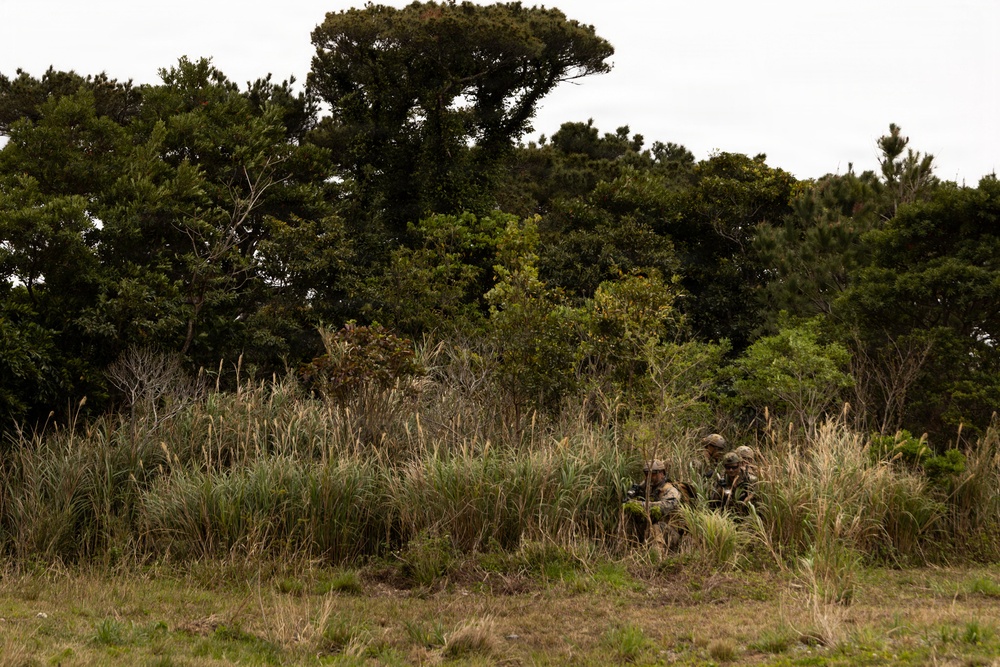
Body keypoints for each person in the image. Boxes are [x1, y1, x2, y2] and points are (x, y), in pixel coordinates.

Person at [623, 459, 685, 554]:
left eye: (653, 474)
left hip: (670, 532)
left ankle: (656, 557)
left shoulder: (670, 490)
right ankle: (627, 550)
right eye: (646, 473)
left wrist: (642, 505)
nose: (649, 476)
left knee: (656, 527)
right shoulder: (647, 486)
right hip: (649, 528)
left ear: (662, 473)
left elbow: (666, 506)